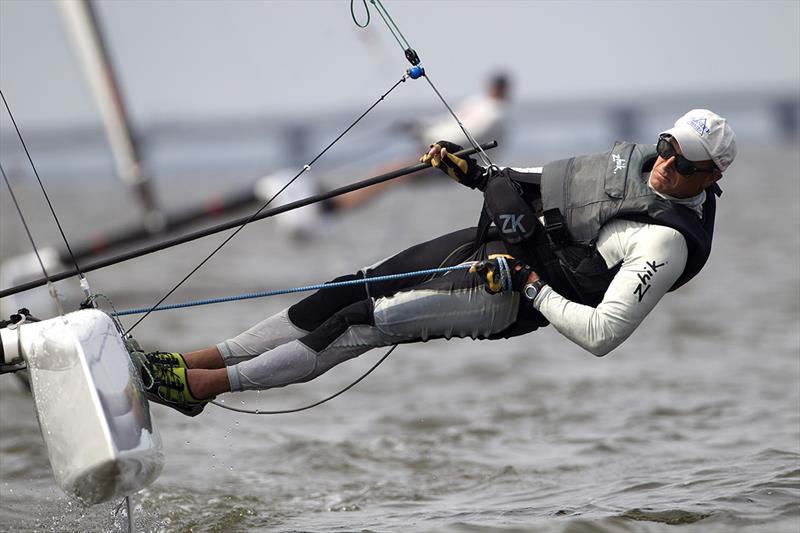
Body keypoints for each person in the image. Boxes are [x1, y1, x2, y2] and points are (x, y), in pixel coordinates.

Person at [133, 109, 737, 417]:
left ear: (711, 177)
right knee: (344, 290)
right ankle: (188, 366)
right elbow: (543, 185)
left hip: (505, 294)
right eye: (666, 148)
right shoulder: (635, 170)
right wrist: (475, 173)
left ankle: (202, 389)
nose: (666, 165)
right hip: (492, 246)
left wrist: (527, 284)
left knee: (359, 321)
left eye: (684, 164)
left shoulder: (667, 243)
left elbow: (602, 334)